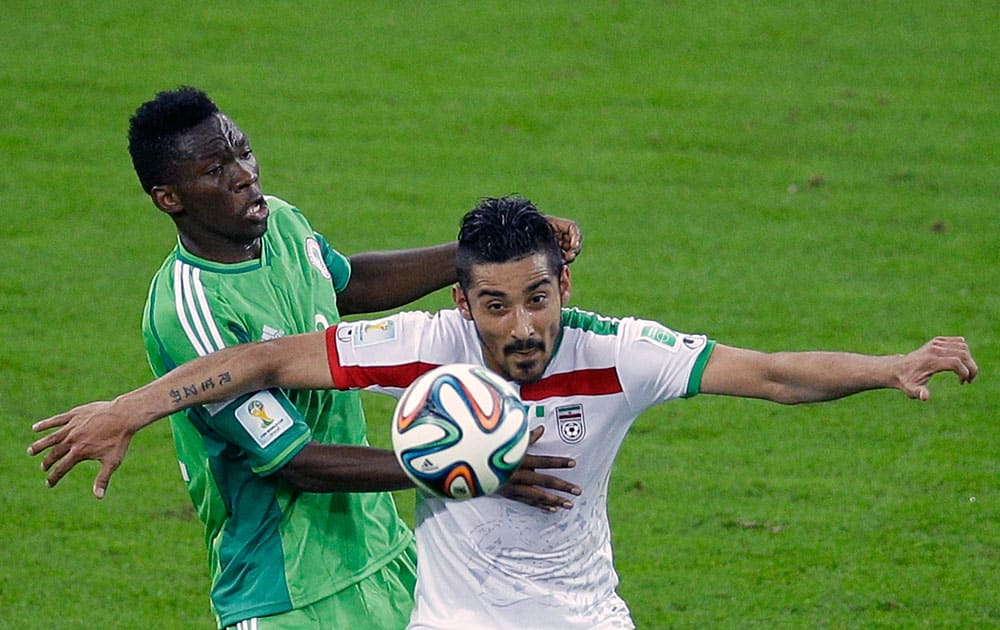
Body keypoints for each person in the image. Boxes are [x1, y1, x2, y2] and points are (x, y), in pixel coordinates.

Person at [31, 196, 977, 629]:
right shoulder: (422, 349)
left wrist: (891, 365)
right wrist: (131, 408)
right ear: (460, 304)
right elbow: (259, 359)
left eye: (538, 298)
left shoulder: (618, 352)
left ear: (563, 282)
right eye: (495, 305)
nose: (522, 327)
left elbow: (771, 373)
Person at [33, 88, 582, 630]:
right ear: (169, 198)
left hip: (383, 557)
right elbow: (293, 461)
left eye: (242, 152)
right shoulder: (189, 309)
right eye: (215, 170)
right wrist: (456, 468)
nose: (245, 174)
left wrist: (483, 256)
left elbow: (349, 283)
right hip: (286, 594)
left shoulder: (283, 224)